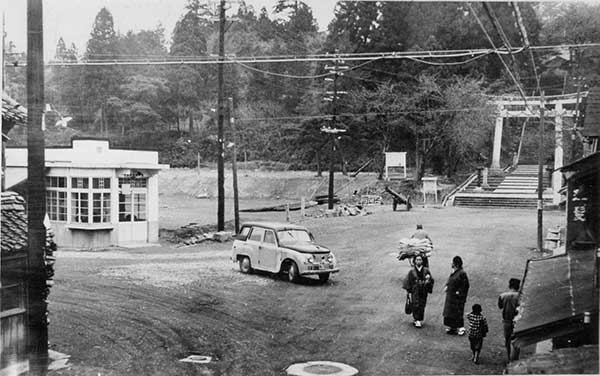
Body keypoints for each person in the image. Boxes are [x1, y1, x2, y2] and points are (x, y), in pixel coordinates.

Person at [402, 254, 434, 328]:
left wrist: (428, 281)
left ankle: (419, 319)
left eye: (420, 260)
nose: (418, 261)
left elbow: (431, 280)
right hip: (415, 290)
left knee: (422, 304)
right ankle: (417, 319)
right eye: (417, 260)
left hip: (423, 289)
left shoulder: (426, 270)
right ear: (414, 261)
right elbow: (408, 281)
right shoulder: (411, 271)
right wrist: (408, 290)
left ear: (422, 261)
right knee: (415, 303)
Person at [443, 255, 470, 335]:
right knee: (451, 312)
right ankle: (452, 327)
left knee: (458, 312)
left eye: (453, 262)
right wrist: (447, 286)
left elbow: (465, 285)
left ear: (456, 264)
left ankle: (461, 328)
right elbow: (450, 280)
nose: (451, 263)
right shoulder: (454, 271)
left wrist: (459, 292)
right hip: (451, 296)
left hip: (458, 297)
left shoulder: (462, 273)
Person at [498, 278, 521, 361]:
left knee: (507, 340)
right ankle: (515, 359)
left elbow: (500, 306)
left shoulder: (502, 296)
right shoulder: (520, 296)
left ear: (509, 285)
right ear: (518, 286)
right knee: (517, 341)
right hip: (517, 322)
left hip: (506, 321)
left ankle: (509, 358)